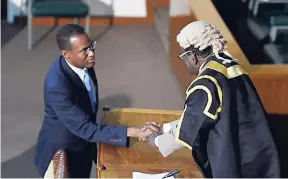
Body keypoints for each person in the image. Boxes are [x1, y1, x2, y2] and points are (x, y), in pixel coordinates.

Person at [142, 21, 280, 178]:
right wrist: (165, 128)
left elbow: (190, 131)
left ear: (192, 57)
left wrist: (157, 141)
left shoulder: (205, 83)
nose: (184, 62)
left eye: (183, 56)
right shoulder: (232, 66)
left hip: (233, 160)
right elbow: (200, 118)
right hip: (257, 153)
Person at [34, 24, 158, 178]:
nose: (92, 53)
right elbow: (85, 128)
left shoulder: (84, 63)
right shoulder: (57, 86)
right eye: (84, 50)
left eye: (91, 46)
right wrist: (135, 131)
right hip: (64, 154)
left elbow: (88, 110)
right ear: (66, 54)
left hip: (84, 148)